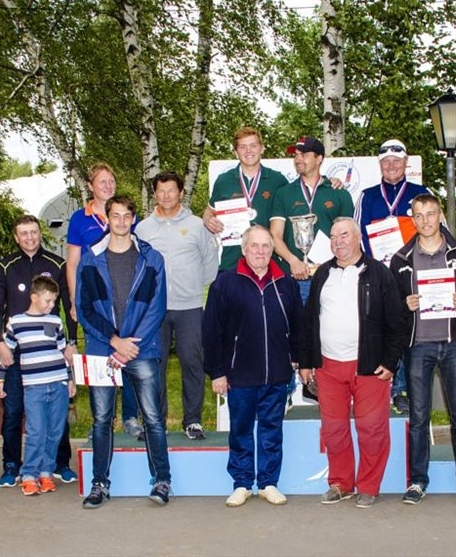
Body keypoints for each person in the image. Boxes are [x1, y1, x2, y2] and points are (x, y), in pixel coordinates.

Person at [299, 217, 405, 508]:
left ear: (358, 238)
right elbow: (309, 321)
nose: (338, 241)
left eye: (344, 235)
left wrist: (391, 361)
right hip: (328, 366)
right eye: (334, 237)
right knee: (334, 430)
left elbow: (397, 322)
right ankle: (341, 483)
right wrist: (306, 361)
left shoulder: (380, 273)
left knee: (372, 430)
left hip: (369, 366)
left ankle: (369, 486)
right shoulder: (322, 273)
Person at [389, 194, 456, 506]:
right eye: (419, 215)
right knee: (419, 418)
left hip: (454, 344)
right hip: (418, 346)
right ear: (413, 220)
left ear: (440, 215)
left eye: (430, 213)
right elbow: (391, 307)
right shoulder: (401, 259)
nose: (425, 220)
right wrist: (403, 304)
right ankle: (418, 481)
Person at [75, 195, 171, 508]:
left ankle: (162, 481)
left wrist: (131, 344)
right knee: (102, 420)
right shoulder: (90, 258)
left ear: (133, 219)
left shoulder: (151, 258)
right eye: (115, 215)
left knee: (153, 418)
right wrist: (115, 341)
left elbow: (156, 308)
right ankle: (99, 484)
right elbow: (84, 309)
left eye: (126, 216)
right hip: (103, 348)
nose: (120, 221)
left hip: (141, 348)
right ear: (107, 218)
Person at [203, 225, 303, 507]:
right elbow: (211, 331)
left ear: (273, 250)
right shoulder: (225, 283)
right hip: (239, 375)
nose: (260, 251)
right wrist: (217, 372)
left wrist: (297, 357)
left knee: (272, 431)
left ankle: (269, 483)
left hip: (277, 374)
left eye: (266, 246)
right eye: (255, 246)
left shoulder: (285, 282)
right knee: (241, 431)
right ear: (244, 249)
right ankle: (242, 484)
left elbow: (298, 325)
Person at [0, 215, 79, 488]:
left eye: (33, 232)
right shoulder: (5, 266)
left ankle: (59, 464)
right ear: (16, 237)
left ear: (40, 233)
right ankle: (11, 465)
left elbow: (69, 305)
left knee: (57, 415)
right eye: (23, 233)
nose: (29, 237)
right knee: (13, 411)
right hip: (16, 351)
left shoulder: (56, 263)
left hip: (50, 354)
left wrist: (71, 341)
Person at [135, 171, 219, 439]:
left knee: (192, 363)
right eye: (161, 191)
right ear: (154, 194)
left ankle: (192, 420)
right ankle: (155, 421)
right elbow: (137, 266)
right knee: (154, 365)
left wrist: (193, 288)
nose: (166, 195)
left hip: (190, 307)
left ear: (181, 193)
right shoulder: (143, 229)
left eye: (171, 190)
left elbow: (210, 262)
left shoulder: (197, 225)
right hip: (154, 310)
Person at [64, 164, 141, 440]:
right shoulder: (79, 219)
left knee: (128, 355)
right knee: (100, 359)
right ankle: (102, 420)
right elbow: (72, 263)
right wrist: (75, 300)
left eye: (111, 181)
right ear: (90, 186)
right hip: (95, 303)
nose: (108, 186)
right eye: (102, 182)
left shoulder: (126, 214)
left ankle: (131, 416)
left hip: (125, 300)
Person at [355, 138, 431, 415]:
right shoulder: (368, 196)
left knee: (408, 330)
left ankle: (402, 389)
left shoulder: (421, 193)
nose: (391, 166)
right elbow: (357, 233)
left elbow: (435, 228)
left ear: (405, 163)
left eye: (396, 161)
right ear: (380, 165)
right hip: (377, 273)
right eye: (386, 162)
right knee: (378, 329)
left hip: (411, 273)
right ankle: (378, 388)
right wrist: (372, 266)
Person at [0, 276, 76, 496]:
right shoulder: (16, 322)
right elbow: (5, 354)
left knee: (55, 431)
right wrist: (0, 379)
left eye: (54, 301)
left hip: (58, 383)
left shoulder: (55, 322)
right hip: (34, 388)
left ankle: (46, 472)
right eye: (48, 301)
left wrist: (70, 380)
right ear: (33, 297)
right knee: (36, 431)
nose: (52, 305)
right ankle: (29, 474)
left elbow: (64, 354)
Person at [270, 136, 355, 302]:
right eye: (295, 155)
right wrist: (293, 261)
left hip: (331, 277)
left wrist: (335, 263)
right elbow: (275, 235)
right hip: (294, 278)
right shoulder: (284, 193)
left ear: (319, 158)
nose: (298, 159)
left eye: (304, 155)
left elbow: (349, 238)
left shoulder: (339, 193)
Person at [203, 127, 289, 272]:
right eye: (243, 147)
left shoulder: (277, 180)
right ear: (235, 152)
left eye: (253, 145)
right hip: (232, 260)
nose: (248, 151)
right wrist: (208, 220)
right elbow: (209, 211)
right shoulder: (224, 181)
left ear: (262, 148)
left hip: (267, 260)